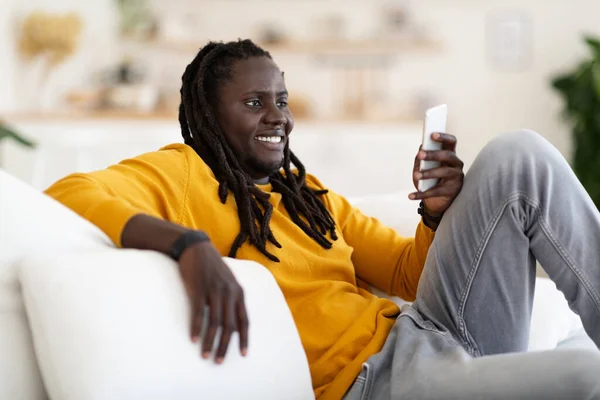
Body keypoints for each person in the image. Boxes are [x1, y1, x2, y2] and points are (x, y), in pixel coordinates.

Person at [45, 39, 600, 400]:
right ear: (208, 115)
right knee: (583, 377)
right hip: (382, 382)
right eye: (254, 102)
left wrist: (433, 213)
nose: (277, 117)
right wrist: (187, 245)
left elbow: (408, 277)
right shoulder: (183, 171)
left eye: (282, 100)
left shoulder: (306, 194)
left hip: (429, 333)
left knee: (517, 154)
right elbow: (69, 191)